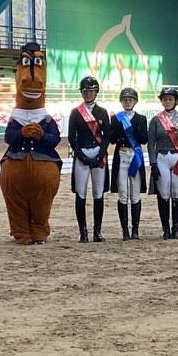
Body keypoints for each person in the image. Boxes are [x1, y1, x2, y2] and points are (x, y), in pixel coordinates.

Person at [0, 42, 62, 245]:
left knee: (42, 203)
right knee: (15, 201)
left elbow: (55, 140)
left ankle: (39, 230)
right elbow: (8, 137)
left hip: (43, 159)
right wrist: (22, 133)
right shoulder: (15, 119)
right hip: (16, 158)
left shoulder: (47, 119)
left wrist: (41, 135)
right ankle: (21, 231)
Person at [148, 87, 178, 239]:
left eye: (170, 99)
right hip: (161, 157)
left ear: (175, 101)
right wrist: (153, 163)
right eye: (165, 99)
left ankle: (176, 228)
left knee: (177, 191)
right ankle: (165, 229)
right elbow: (151, 143)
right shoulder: (156, 120)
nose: (167, 101)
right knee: (164, 192)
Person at [68, 76, 111, 242]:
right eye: (85, 91)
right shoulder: (75, 113)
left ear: (96, 92)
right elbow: (72, 138)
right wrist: (82, 156)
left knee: (98, 193)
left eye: (91, 91)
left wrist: (100, 155)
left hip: (98, 155)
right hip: (82, 155)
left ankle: (97, 231)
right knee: (81, 193)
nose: (88, 94)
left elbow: (107, 136)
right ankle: (83, 231)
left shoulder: (102, 112)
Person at [109, 87, 148, 240]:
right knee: (123, 193)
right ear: (121, 102)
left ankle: (135, 230)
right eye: (125, 100)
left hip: (135, 156)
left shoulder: (141, 119)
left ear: (135, 101)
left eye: (130, 100)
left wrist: (134, 130)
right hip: (121, 155)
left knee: (135, 194)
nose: (127, 102)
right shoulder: (116, 118)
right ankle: (125, 230)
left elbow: (144, 139)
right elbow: (112, 139)